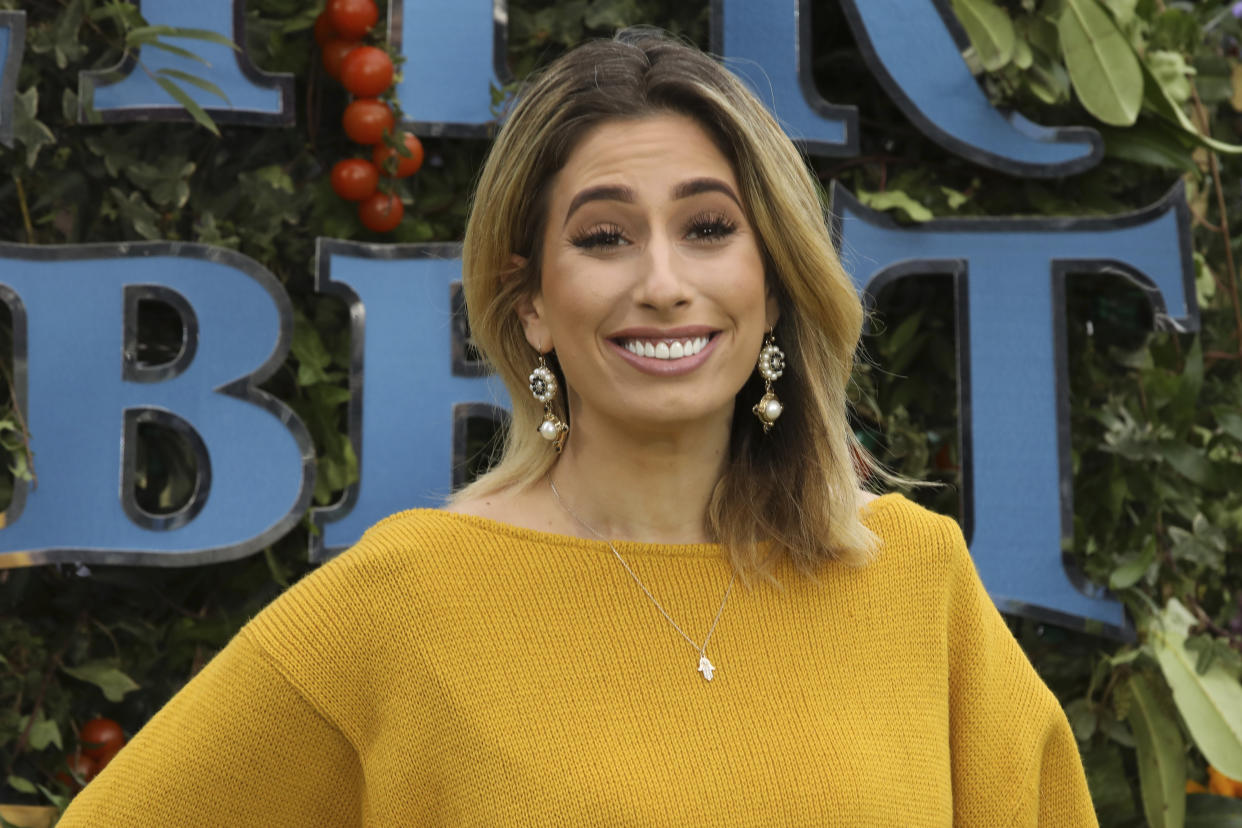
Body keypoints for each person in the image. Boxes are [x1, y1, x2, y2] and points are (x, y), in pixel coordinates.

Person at [59, 29, 1098, 826]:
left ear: (773, 285)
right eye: (604, 237)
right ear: (532, 304)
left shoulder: (917, 581)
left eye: (708, 228)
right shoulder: (405, 600)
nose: (662, 283)